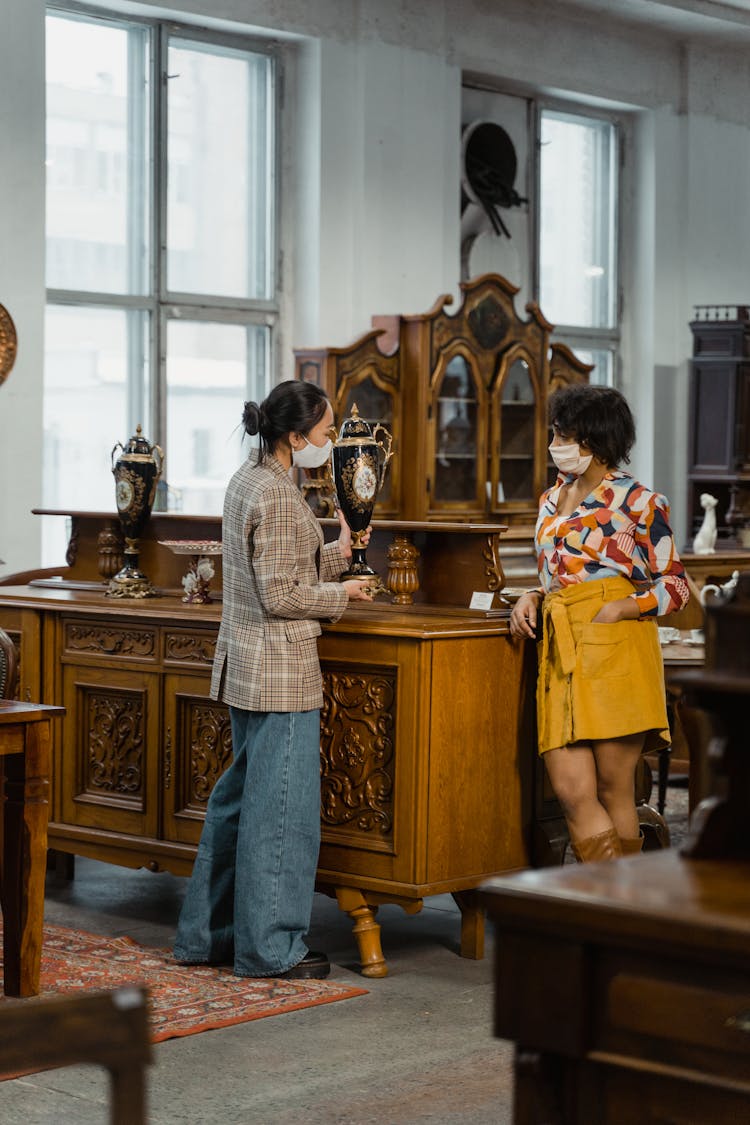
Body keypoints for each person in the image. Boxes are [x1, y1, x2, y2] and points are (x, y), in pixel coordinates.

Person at [174, 380, 373, 979]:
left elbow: (278, 565)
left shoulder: (248, 479)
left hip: (245, 666)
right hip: (281, 671)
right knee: (280, 812)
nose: (330, 441)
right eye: (326, 432)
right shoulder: (282, 497)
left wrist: (338, 550)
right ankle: (272, 948)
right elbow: (284, 593)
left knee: (238, 803)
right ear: (295, 436)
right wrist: (343, 591)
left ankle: (210, 936)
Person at [509, 384, 689, 863]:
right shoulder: (551, 499)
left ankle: (619, 917)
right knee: (571, 790)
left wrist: (619, 608)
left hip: (617, 649)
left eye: (564, 435)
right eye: (555, 433)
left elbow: (676, 586)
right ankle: (613, 908)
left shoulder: (641, 502)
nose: (555, 443)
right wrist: (531, 594)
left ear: (593, 441)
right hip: (562, 650)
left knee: (613, 789)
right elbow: (554, 574)